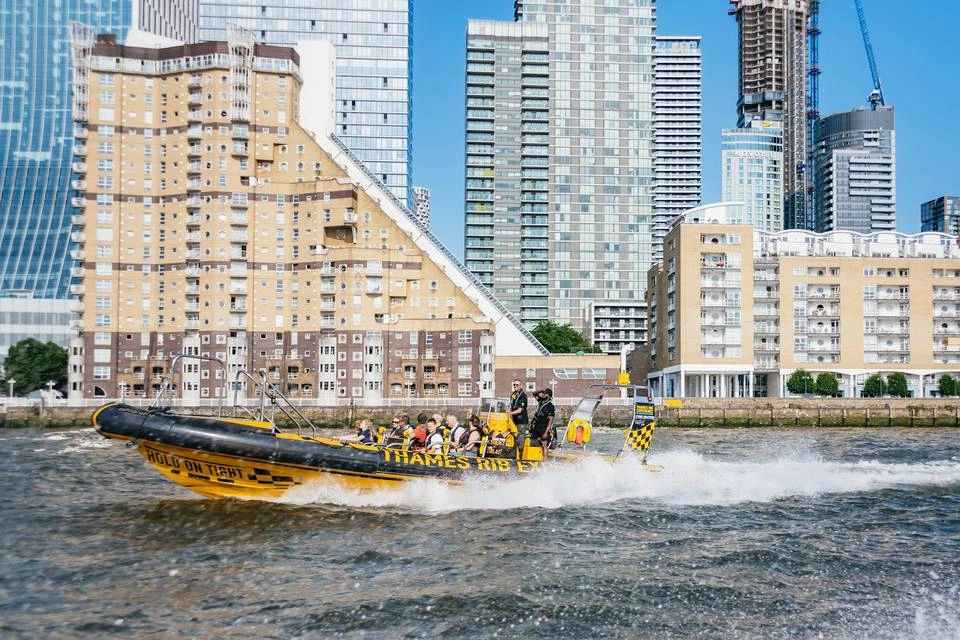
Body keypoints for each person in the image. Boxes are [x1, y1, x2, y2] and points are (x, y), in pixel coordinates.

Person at [530, 388, 556, 457]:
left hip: (544, 427)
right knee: (532, 442)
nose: (544, 394)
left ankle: (545, 462)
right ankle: (535, 457)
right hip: (537, 426)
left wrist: (546, 431)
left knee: (544, 444)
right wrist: (540, 391)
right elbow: (534, 394)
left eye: (546, 393)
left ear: (549, 396)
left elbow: (551, 420)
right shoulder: (541, 401)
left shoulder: (550, 406)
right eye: (544, 393)